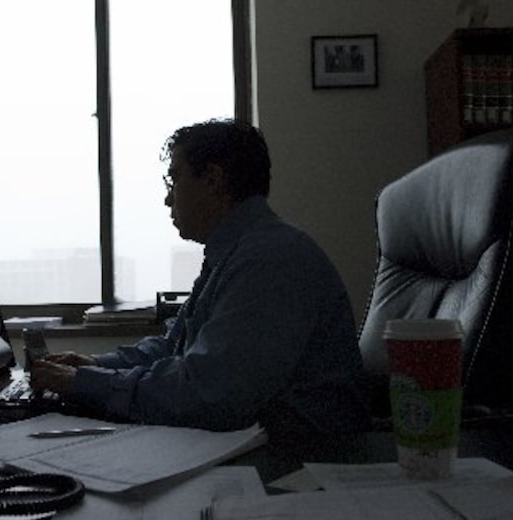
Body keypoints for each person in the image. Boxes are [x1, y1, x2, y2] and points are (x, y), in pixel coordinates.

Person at [29, 118, 369, 435]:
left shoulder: (270, 258)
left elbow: (209, 393)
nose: (167, 198)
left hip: (301, 452)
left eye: (174, 179)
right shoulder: (233, 252)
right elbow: (172, 348)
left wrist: (84, 383)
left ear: (213, 180)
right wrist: (93, 364)